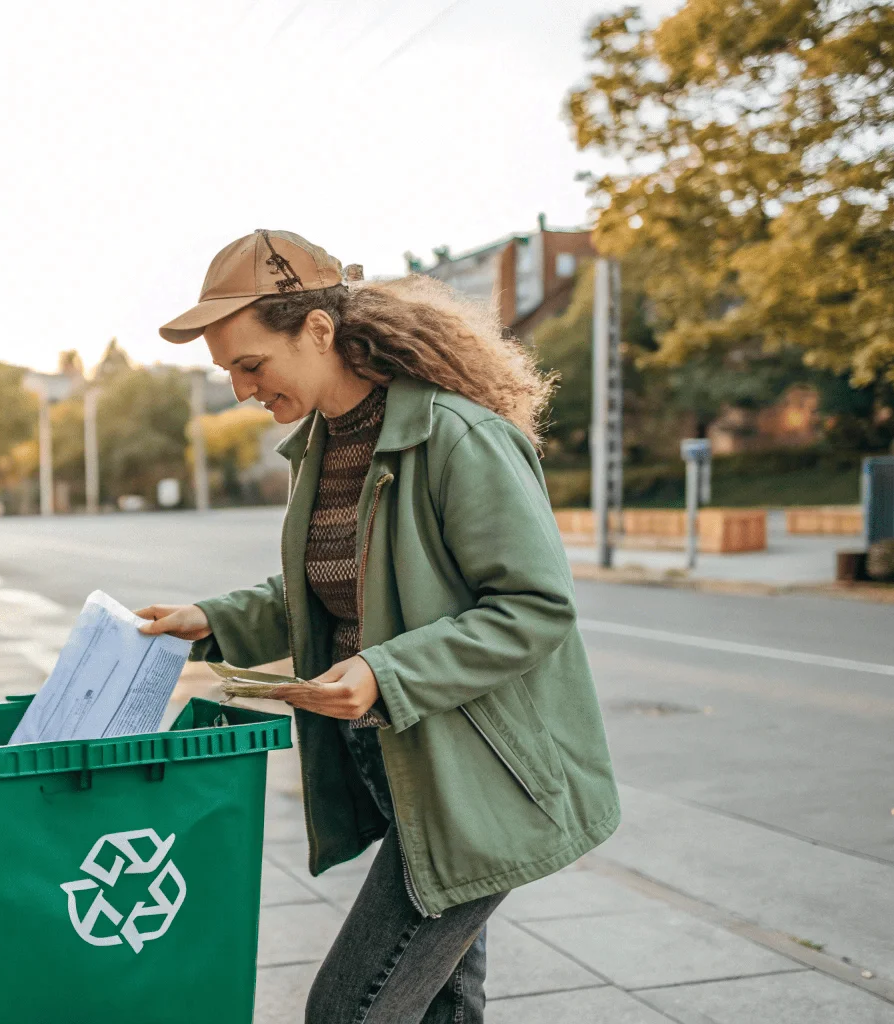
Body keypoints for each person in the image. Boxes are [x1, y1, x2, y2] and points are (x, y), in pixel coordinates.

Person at [137, 230, 619, 1023]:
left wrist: (383, 674)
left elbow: (534, 607)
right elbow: (340, 591)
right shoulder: (322, 449)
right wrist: (211, 620)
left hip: (476, 779)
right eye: (226, 370)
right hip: (405, 764)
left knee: (346, 1010)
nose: (238, 389)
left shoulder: (458, 437)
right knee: (442, 1007)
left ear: (318, 331)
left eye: (250, 364)